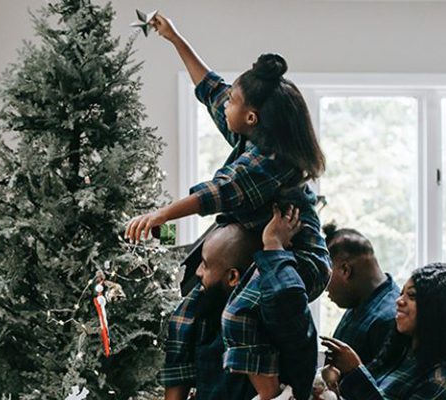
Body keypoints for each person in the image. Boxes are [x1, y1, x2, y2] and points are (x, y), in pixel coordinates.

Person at [125, 14, 330, 400]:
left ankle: (272, 395)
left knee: (238, 315)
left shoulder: (270, 160)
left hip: (299, 260)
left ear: (251, 116)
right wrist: (174, 38)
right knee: (185, 313)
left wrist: (161, 215)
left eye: (235, 101)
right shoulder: (250, 129)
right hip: (257, 244)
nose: (228, 104)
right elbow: (210, 88)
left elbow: (216, 193)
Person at [161, 206, 315, 400]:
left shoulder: (277, 319)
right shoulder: (202, 311)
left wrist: (273, 246)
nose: (198, 272)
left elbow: (286, 294)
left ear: (233, 276)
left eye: (205, 264)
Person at [321, 263, 446, 399]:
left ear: (439, 308)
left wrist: (355, 371)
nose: (399, 301)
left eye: (412, 296)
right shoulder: (401, 353)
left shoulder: (444, 380)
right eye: (402, 294)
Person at [323, 224, 400, 365]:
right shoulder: (357, 302)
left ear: (345, 270)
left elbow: (378, 386)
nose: (324, 287)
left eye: (325, 275)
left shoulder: (390, 319)